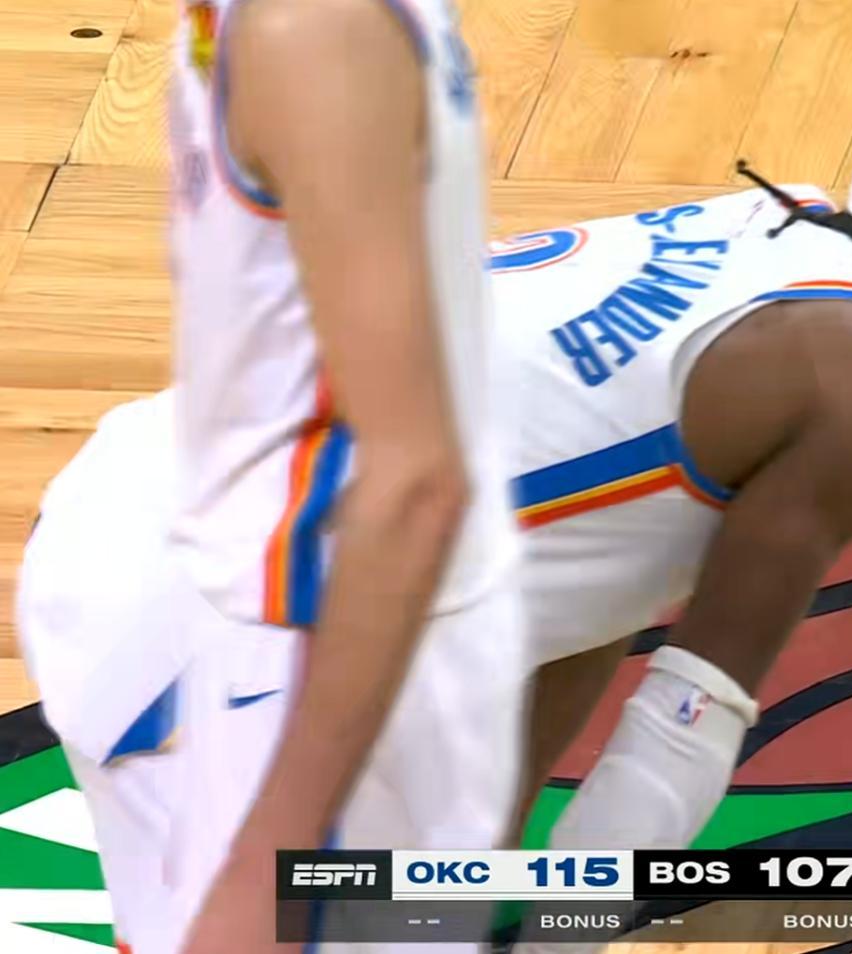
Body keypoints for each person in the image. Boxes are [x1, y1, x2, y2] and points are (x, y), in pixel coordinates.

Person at [20, 92, 852, 947]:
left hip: (146, 502)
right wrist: (564, 933)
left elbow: (586, 603)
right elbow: (689, 717)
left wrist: (476, 886)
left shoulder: (771, 247)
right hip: (206, 613)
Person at [17, 0, 525, 951]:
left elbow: (417, 479)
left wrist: (268, 865)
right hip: (250, 606)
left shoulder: (311, 34)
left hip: (298, 645)